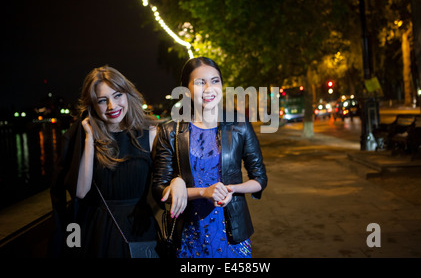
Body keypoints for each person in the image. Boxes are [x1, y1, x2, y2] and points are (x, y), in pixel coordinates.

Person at [49, 65, 186, 257]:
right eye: (102, 100)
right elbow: (80, 191)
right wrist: (89, 138)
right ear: (93, 106)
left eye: (117, 95)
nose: (112, 106)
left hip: (140, 228)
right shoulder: (85, 138)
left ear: (128, 94)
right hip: (98, 232)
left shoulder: (151, 133)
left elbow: (167, 175)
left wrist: (177, 180)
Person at [152, 57, 268, 258]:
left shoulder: (239, 126)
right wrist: (185, 186)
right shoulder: (170, 130)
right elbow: (158, 189)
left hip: (233, 235)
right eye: (200, 82)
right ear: (185, 90)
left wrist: (231, 189)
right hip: (188, 235)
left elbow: (260, 179)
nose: (209, 88)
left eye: (215, 81)